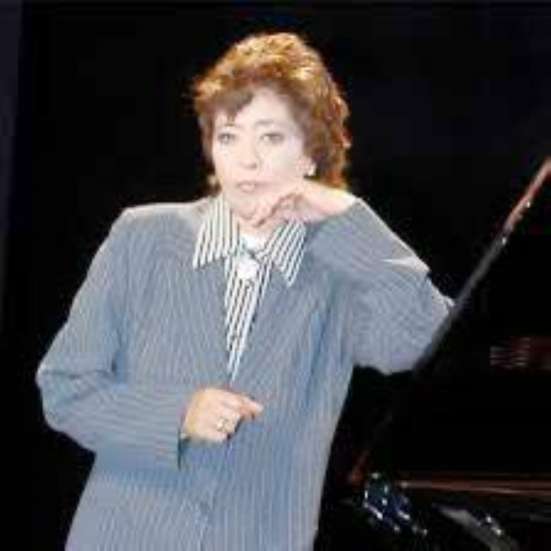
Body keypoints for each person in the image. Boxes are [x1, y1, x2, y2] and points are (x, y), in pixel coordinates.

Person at [36, 32, 452, 550]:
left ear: (312, 153)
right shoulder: (142, 238)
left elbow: (428, 341)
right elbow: (65, 388)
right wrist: (178, 414)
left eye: (271, 137)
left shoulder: (339, 272)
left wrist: (351, 216)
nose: (246, 160)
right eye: (229, 136)